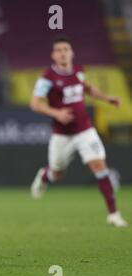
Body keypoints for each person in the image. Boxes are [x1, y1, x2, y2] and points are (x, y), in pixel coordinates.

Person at [30, 35, 127, 227]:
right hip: (62, 134)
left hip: (85, 130)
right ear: (53, 55)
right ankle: (44, 175)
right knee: (57, 173)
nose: (63, 53)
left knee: (99, 166)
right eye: (59, 50)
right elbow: (35, 103)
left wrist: (108, 98)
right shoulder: (48, 77)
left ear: (72, 52)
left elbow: (88, 89)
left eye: (66, 49)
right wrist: (56, 113)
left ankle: (113, 214)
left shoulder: (79, 72)